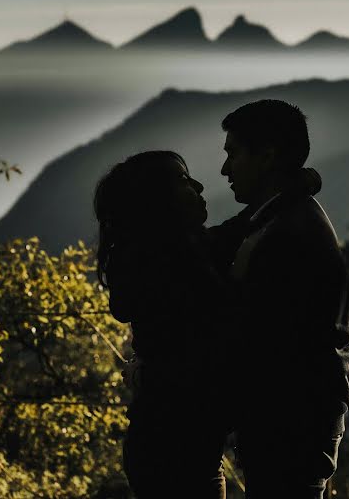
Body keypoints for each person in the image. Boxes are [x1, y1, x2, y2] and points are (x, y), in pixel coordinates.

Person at [215, 99, 349, 499]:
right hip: (297, 427)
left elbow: (264, 343)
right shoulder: (280, 216)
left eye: (233, 153)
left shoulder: (287, 234)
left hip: (291, 430)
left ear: (268, 156)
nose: (225, 169)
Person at [93, 151, 230, 499]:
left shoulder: (178, 255)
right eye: (184, 180)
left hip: (178, 447)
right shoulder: (170, 268)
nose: (199, 186)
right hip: (176, 453)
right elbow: (189, 362)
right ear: (158, 200)